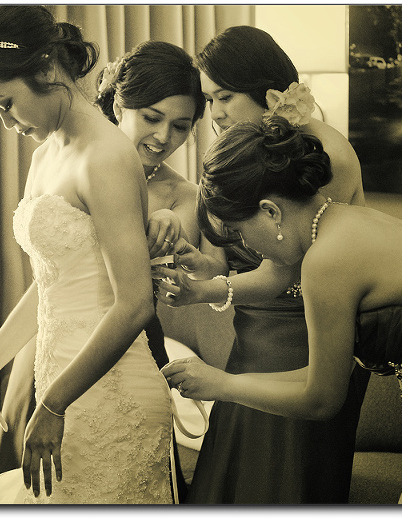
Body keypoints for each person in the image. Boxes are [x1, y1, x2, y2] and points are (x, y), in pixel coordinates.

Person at [0, 5, 172, 504]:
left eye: (6, 104)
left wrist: (54, 404)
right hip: (61, 379)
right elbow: (53, 282)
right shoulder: (44, 156)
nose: (6, 122)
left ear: (48, 68)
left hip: (112, 390)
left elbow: (135, 303)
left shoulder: (107, 156)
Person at [161, 116, 402, 504]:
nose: (247, 246)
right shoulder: (344, 222)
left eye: (240, 231)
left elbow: (322, 399)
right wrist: (220, 380)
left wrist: (222, 385)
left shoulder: (326, 262)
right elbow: (317, 377)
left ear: (271, 212)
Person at [153, 25, 371, 504]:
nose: (215, 113)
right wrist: (204, 267)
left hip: (306, 344)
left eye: (225, 97)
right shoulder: (256, 151)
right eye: (209, 99)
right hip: (253, 338)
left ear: (269, 93)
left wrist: (203, 292)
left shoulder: (326, 156)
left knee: (282, 487)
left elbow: (283, 272)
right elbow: (238, 258)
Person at [0, 40, 215, 501]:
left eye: (180, 126)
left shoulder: (183, 197)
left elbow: (172, 275)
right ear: (119, 105)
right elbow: (50, 280)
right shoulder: (64, 156)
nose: (163, 137)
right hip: (48, 349)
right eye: (151, 117)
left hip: (120, 351)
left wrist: (171, 225)